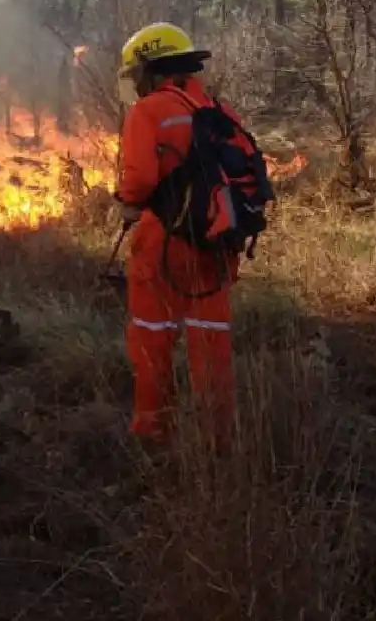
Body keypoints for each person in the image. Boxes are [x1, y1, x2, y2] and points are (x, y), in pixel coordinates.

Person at [114, 22, 270, 448]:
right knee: (211, 338)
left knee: (152, 336)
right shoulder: (217, 110)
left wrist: (127, 202)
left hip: (163, 243)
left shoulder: (148, 111)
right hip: (217, 240)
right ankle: (217, 437)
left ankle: (153, 433)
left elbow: (140, 180)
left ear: (151, 69)